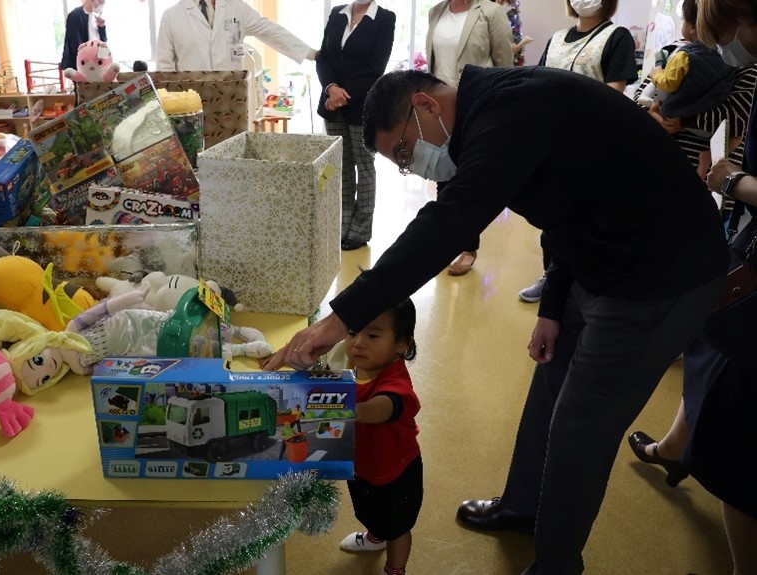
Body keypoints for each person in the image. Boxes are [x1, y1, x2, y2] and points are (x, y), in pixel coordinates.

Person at [262, 66, 729, 574]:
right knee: (548, 390)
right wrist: (553, 306)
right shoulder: (491, 114)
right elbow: (566, 208)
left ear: (426, 106)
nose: (412, 167)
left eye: (402, 152)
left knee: (581, 430)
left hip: (659, 277)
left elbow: (447, 225)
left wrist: (336, 322)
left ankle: (555, 566)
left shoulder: (511, 110)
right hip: (594, 259)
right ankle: (525, 506)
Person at [628, 3, 757, 574]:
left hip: (746, 243)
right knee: (707, 345)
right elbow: (656, 97)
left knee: (737, 419)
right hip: (740, 241)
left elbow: (690, 109)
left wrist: (734, 180)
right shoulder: (729, 68)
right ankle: (677, 446)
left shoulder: (739, 73)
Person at [517, 0, 637, 303]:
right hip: (550, 144)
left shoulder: (616, 37)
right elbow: (538, 84)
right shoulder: (557, 38)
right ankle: (551, 280)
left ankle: (584, 288)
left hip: (593, 146)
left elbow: (614, 96)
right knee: (552, 218)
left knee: (587, 220)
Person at [334, 298, 422, 575]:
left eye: (372, 335)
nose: (358, 342)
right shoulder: (355, 363)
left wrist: (356, 410)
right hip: (362, 464)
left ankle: (395, 569)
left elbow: (386, 406)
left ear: (402, 344)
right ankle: (374, 537)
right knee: (368, 509)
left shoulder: (395, 381)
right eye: (352, 332)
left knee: (398, 528)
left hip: (396, 471)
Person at [425, 0, 513, 276]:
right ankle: (444, 242)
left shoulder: (489, 11)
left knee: (468, 179)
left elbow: (504, 64)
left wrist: (501, 109)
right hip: (439, 107)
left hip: (476, 105)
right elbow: (435, 63)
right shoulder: (436, 12)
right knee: (442, 174)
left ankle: (468, 247)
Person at [316, 1, 395, 252]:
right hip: (332, 105)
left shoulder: (384, 18)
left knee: (364, 165)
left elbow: (376, 69)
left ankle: (360, 230)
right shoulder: (337, 14)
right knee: (340, 167)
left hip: (362, 106)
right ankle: (343, 223)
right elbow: (324, 57)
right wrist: (331, 89)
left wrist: (342, 95)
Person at [636, 0, 737, 142]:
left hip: (688, 144)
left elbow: (737, 120)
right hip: (701, 136)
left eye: (683, 19)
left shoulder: (684, 55)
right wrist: (650, 114)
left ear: (694, 27)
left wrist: (655, 74)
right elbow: (637, 101)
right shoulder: (725, 56)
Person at [156, 0, 318, 72]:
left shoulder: (237, 8)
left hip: (232, 96)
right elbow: (164, 67)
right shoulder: (171, 16)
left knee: (233, 142)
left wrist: (310, 53)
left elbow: (270, 31)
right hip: (190, 101)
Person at [61, 0, 107, 72]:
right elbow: (75, 43)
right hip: (81, 64)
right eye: (101, 2)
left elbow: (103, 42)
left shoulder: (95, 16)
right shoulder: (75, 15)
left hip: (95, 63)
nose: (102, 5)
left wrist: (102, 27)